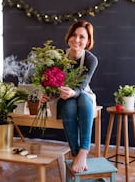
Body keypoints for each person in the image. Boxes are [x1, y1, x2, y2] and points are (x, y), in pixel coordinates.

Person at [58, 20, 98, 173]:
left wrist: (73, 92)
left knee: (83, 99)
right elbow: (53, 81)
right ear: (69, 36)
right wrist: (48, 94)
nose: (77, 39)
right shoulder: (60, 56)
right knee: (68, 106)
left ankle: (83, 150)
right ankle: (76, 153)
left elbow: (82, 86)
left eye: (82, 37)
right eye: (74, 35)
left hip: (82, 94)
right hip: (64, 97)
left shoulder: (91, 60)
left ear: (88, 41)